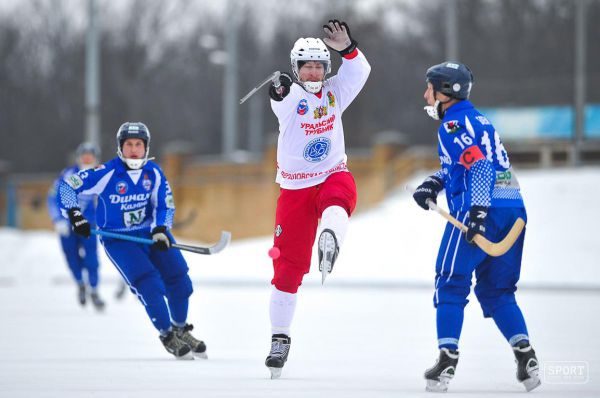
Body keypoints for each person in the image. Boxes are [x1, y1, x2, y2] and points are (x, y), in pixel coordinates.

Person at [412, 61, 541, 392]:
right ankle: (526, 356)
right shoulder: (479, 119)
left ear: (446, 92)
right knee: (497, 291)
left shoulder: (451, 125)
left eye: (430, 87)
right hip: (513, 210)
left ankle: (446, 363)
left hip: (480, 210)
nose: (425, 94)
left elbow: (479, 167)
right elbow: (469, 163)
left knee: (450, 282)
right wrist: (434, 182)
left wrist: (478, 214)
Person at [264, 19, 370, 378]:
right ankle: (280, 338)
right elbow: (280, 99)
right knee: (287, 269)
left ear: (327, 68)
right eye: (307, 65)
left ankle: (331, 239)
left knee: (341, 193)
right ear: (296, 69)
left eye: (320, 65)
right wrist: (278, 89)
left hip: (330, 174)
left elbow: (359, 71)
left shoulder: (335, 92)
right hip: (294, 189)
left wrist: (348, 48)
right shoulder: (292, 95)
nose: (314, 71)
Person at [56, 122, 206, 360]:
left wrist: (160, 228)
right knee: (149, 284)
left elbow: (165, 204)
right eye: (129, 145)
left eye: (138, 144)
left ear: (146, 147)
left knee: (180, 281)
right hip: (119, 239)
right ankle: (167, 335)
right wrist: (75, 215)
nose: (134, 150)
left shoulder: (153, 172)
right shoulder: (106, 172)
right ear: (120, 148)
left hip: (151, 234)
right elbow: (67, 186)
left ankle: (180, 328)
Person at [48, 142, 105, 311]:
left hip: (89, 225)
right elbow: (53, 198)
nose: (87, 159)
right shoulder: (67, 175)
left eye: (91, 155)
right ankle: (80, 283)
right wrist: (58, 219)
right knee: (71, 257)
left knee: (92, 259)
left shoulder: (100, 175)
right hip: (67, 225)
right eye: (84, 155)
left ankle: (94, 289)